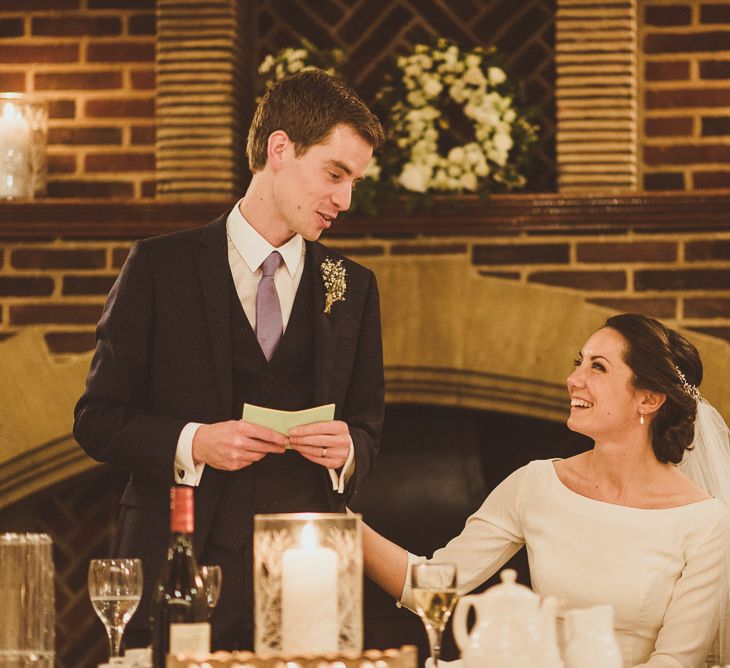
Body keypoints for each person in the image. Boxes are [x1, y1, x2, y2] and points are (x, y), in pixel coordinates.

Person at [74, 69, 386, 650]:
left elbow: (368, 426)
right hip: (176, 562)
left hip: (305, 579)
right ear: (280, 148)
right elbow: (97, 419)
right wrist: (194, 442)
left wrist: (348, 450)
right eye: (335, 174)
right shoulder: (157, 269)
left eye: (353, 183)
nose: (344, 200)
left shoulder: (354, 286)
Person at [362, 313, 730, 667]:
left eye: (597, 367)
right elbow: (429, 586)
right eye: (579, 362)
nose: (573, 379)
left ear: (648, 399)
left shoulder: (704, 521)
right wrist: (339, 522)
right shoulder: (536, 484)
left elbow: (675, 662)